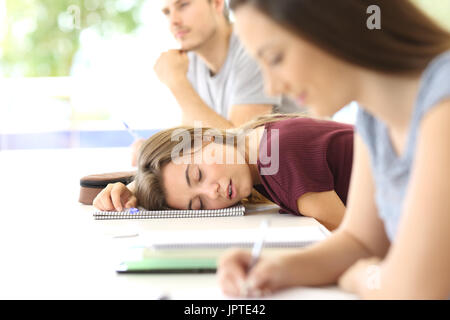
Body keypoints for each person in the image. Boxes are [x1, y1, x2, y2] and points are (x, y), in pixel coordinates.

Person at [216, 0, 450, 299]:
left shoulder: (443, 103)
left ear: (332, 23)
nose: (272, 87)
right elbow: (361, 242)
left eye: (274, 58)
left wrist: (360, 278)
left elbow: (415, 288)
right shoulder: (374, 118)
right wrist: (277, 268)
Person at [94, 114, 354, 231]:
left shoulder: (277, 157)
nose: (212, 191)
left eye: (197, 175)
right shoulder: (257, 151)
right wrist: (133, 190)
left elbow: (356, 240)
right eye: (199, 204)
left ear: (203, 139)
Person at [130, 0, 300, 166]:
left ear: (217, 3)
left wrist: (177, 84)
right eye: (167, 12)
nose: (173, 21)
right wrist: (153, 152)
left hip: (293, 173)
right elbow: (190, 140)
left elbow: (241, 150)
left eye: (183, 5)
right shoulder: (190, 62)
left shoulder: (252, 47)